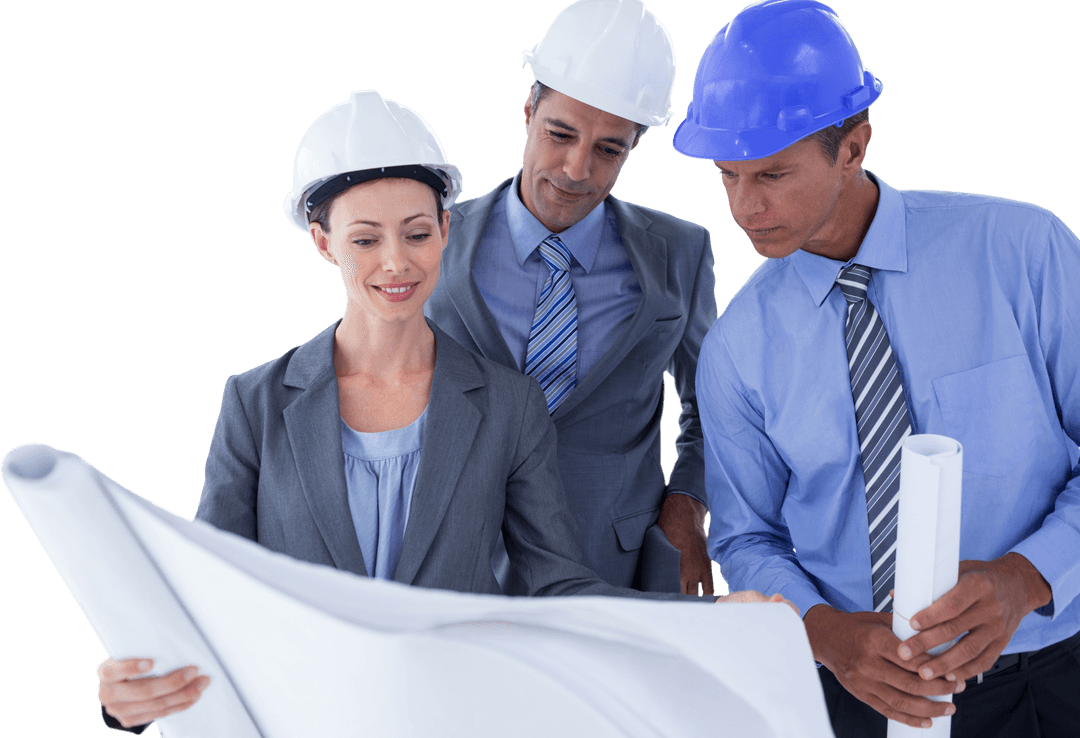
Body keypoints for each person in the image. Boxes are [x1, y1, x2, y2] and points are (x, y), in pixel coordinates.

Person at [95, 89, 790, 733]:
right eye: (366, 238)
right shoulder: (256, 403)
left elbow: (558, 584)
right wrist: (129, 689)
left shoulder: (507, 404)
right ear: (323, 240)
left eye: (417, 233)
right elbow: (209, 586)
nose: (396, 262)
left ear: (445, 232)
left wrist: (712, 624)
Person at [673, 1, 1080, 737]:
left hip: (1049, 677)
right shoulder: (737, 349)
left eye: (771, 175)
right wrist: (829, 636)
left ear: (853, 147)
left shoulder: (1024, 253)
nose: (744, 208)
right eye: (727, 177)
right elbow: (747, 538)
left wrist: (1026, 578)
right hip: (853, 692)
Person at [425, 0, 718, 597]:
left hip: (616, 562)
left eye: (609, 149)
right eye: (560, 135)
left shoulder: (679, 252)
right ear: (528, 112)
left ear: (634, 146)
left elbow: (716, 409)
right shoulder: (432, 241)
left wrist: (687, 506)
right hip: (450, 558)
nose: (577, 169)